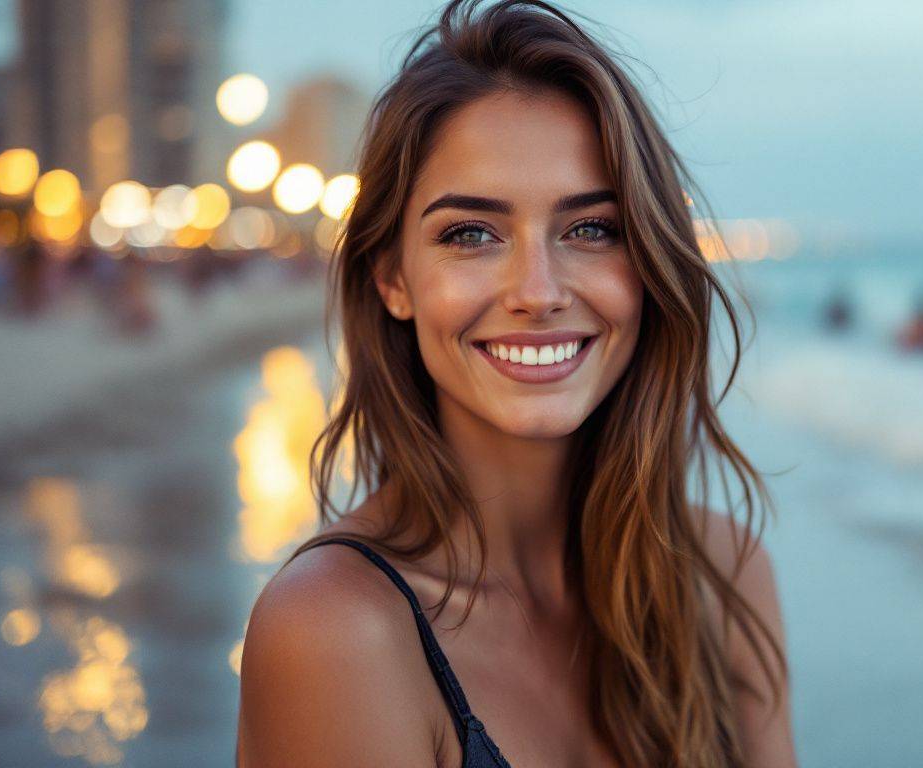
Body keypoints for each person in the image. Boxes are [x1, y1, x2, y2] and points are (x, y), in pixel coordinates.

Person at [235, 2, 797, 767]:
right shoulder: (337, 629)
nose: (538, 291)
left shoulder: (724, 575)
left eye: (591, 229)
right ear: (394, 278)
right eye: (472, 234)